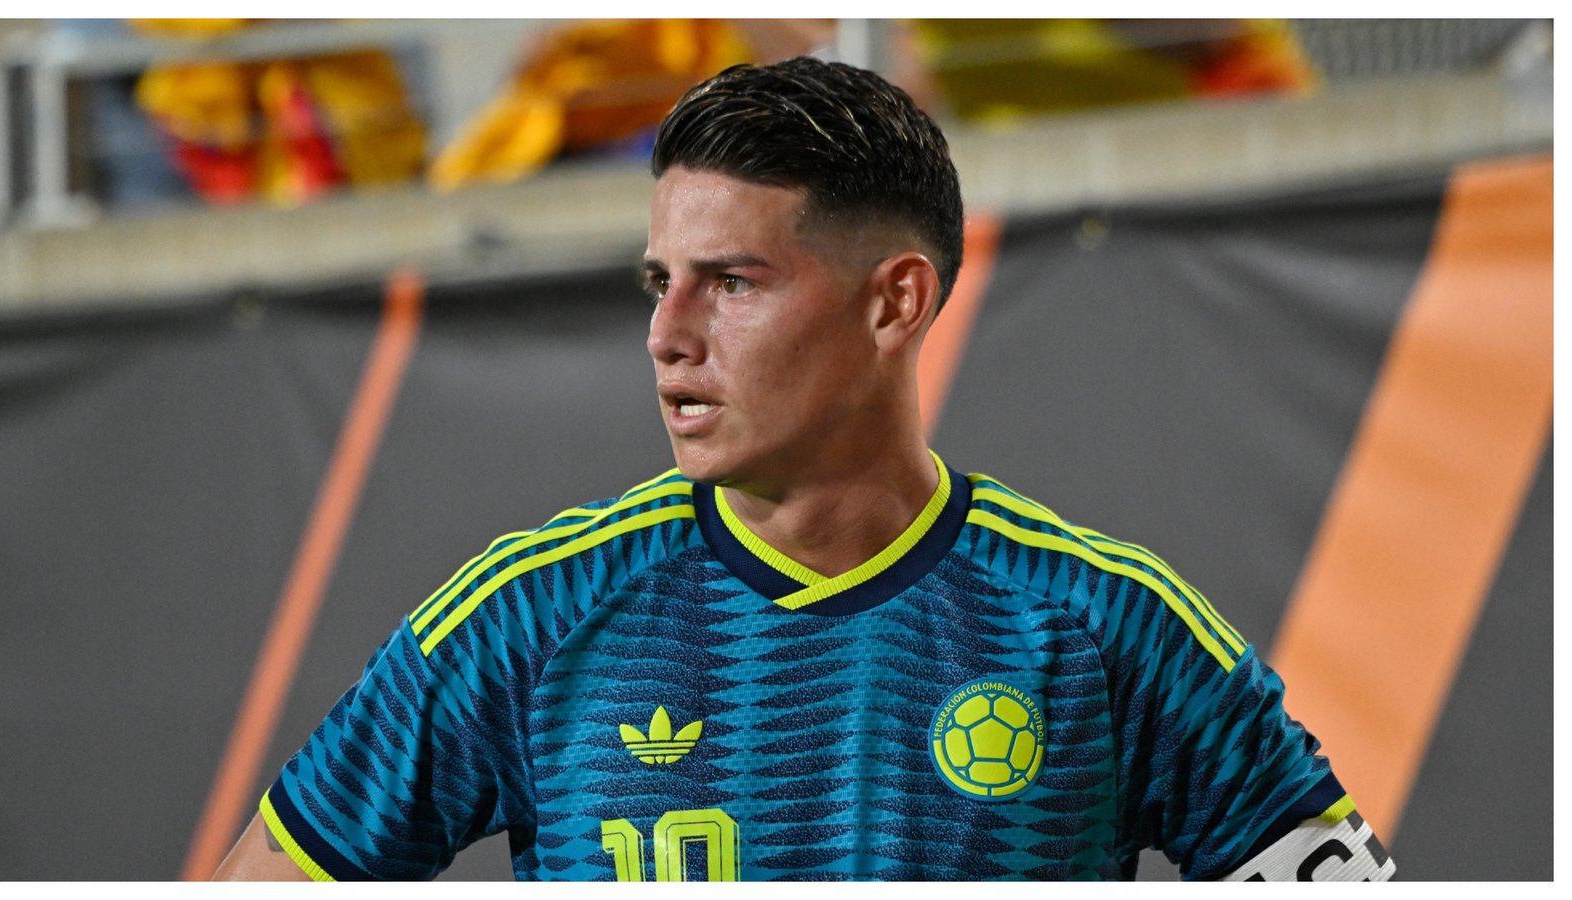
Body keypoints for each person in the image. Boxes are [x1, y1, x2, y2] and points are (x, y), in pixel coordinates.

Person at [213, 56, 1394, 882]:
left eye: (729, 282)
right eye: (656, 282)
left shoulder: (1107, 629)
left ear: (895, 303)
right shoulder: (529, 615)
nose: (667, 334)